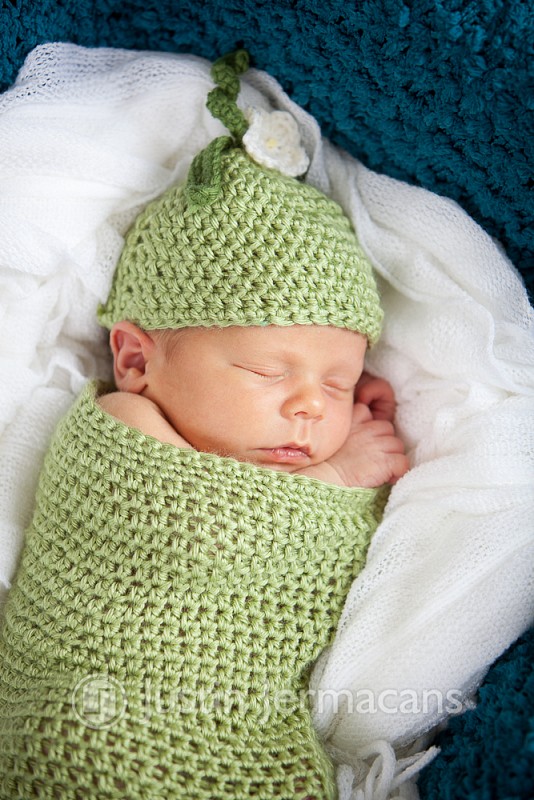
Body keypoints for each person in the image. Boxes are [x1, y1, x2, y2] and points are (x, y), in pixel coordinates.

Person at [0, 52, 407, 799]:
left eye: (340, 382)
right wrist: (338, 474)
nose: (312, 407)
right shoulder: (121, 424)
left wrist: (343, 455)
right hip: (95, 722)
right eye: (266, 371)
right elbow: (199, 539)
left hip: (242, 733)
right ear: (135, 359)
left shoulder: (300, 440)